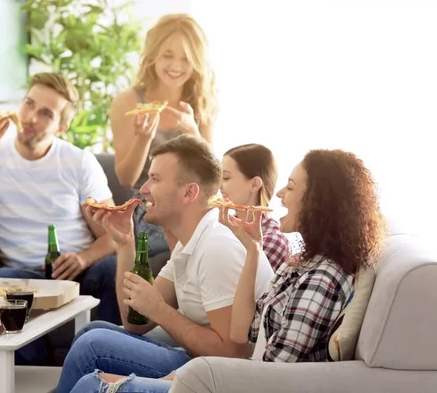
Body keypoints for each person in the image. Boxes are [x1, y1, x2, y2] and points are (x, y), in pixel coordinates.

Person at [67, 148, 387, 392]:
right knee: (91, 336)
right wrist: (252, 250)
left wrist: (184, 377)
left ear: (319, 200)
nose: (278, 195)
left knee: (90, 373)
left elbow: (268, 376)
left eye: (290, 187)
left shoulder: (321, 279)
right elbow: (242, 334)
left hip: (234, 381)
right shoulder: (301, 263)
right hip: (226, 373)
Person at [55, 134, 275, 393]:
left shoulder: (218, 246)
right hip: (203, 361)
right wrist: (125, 242)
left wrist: (160, 310)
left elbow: (232, 354)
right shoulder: (190, 242)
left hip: (226, 377)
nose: (143, 189)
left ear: (189, 192)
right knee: (91, 331)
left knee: (91, 346)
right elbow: (135, 321)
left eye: (155, 179)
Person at [0, 72, 119, 364]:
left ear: (61, 126)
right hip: (22, 277)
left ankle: (103, 363)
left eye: (45, 113)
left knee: (113, 267)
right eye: (29, 104)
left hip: (78, 273)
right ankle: (43, 378)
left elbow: (113, 235)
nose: (31, 117)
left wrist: (84, 258)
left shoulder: (78, 162)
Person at [110, 13, 218, 255]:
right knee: (173, 251)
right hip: (149, 205)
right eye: (168, 55)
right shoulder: (127, 102)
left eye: (186, 59)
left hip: (193, 206)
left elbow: (214, 178)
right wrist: (144, 138)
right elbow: (126, 179)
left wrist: (194, 133)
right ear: (153, 55)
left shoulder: (203, 102)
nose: (176, 66)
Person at [221, 144, 291, 271]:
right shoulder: (222, 226)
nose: (219, 185)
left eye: (226, 177)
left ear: (254, 184)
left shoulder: (273, 240)